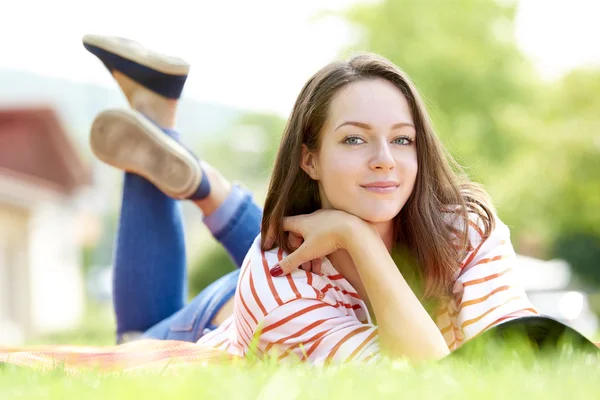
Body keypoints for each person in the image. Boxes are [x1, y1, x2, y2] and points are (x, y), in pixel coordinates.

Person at [83, 34, 539, 364]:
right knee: (133, 347)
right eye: (354, 140)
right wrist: (355, 237)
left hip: (291, 274)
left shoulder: (466, 227)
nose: (385, 160)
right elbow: (418, 379)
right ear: (309, 159)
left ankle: (181, 148)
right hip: (235, 315)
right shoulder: (274, 287)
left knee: (291, 238)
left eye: (402, 140)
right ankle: (176, 145)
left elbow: (518, 348)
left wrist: (351, 232)